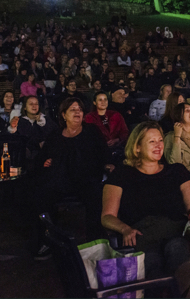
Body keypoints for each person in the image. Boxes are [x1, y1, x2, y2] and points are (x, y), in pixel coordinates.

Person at [101, 122, 190, 296]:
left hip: (174, 230)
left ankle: (177, 289)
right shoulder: (122, 175)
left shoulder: (177, 171)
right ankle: (182, 291)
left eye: (160, 140)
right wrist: (124, 229)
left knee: (177, 248)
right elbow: (107, 216)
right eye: (152, 141)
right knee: (152, 260)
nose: (159, 145)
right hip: (141, 233)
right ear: (137, 147)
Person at [34, 98, 113, 260]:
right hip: (61, 179)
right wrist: (45, 162)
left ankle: (95, 243)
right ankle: (49, 240)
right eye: (72, 109)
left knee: (95, 195)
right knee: (42, 194)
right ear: (63, 115)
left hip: (86, 178)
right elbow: (42, 157)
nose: (78, 112)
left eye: (80, 109)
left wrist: (108, 164)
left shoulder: (91, 131)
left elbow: (104, 153)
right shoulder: (55, 135)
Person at [9, 95, 58, 166]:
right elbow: (16, 138)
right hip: (24, 158)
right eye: (31, 104)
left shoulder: (45, 120)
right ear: (25, 107)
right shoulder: (20, 121)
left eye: (36, 104)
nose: (34, 106)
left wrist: (41, 124)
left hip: (44, 157)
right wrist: (12, 128)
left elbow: (54, 134)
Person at [84, 91, 129, 160]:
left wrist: (117, 140)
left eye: (105, 99)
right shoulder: (89, 117)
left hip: (117, 148)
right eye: (100, 100)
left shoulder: (116, 115)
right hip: (98, 150)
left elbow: (125, 131)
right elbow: (88, 136)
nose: (103, 102)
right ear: (94, 103)